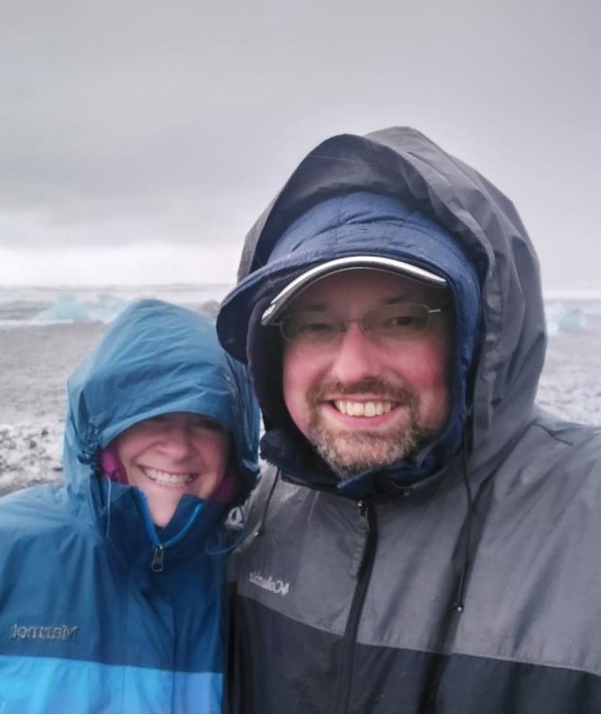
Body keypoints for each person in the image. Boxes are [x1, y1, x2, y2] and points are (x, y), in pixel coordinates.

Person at [215, 126, 601, 713]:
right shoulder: (251, 519)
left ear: (478, 335)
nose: (354, 367)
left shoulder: (586, 517)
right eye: (315, 325)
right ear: (272, 353)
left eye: (402, 321)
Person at [0, 299, 260, 713]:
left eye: (206, 422)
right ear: (101, 428)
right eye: (152, 416)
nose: (178, 448)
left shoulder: (252, 576)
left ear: (235, 443)